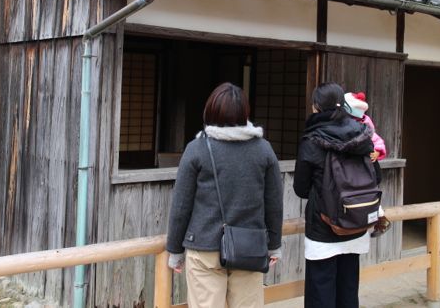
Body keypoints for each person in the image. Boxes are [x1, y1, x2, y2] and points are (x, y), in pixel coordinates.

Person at [166, 82, 283, 308]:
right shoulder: (263, 149)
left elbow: (181, 205)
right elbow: (274, 203)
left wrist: (175, 250)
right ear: (244, 112)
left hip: (204, 247)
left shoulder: (197, 148)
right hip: (250, 248)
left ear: (210, 111)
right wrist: (274, 244)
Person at [294, 82, 375, 308]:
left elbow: (301, 189)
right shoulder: (362, 135)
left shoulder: (312, 140)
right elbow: (375, 176)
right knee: (348, 293)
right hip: (355, 224)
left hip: (323, 229)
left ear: (317, 107)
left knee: (320, 295)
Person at [344, 91, 391, 237]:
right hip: (363, 169)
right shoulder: (352, 124)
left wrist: (377, 152)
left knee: (368, 193)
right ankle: (381, 220)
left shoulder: (365, 124)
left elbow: (376, 140)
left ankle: (380, 220)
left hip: (367, 167)